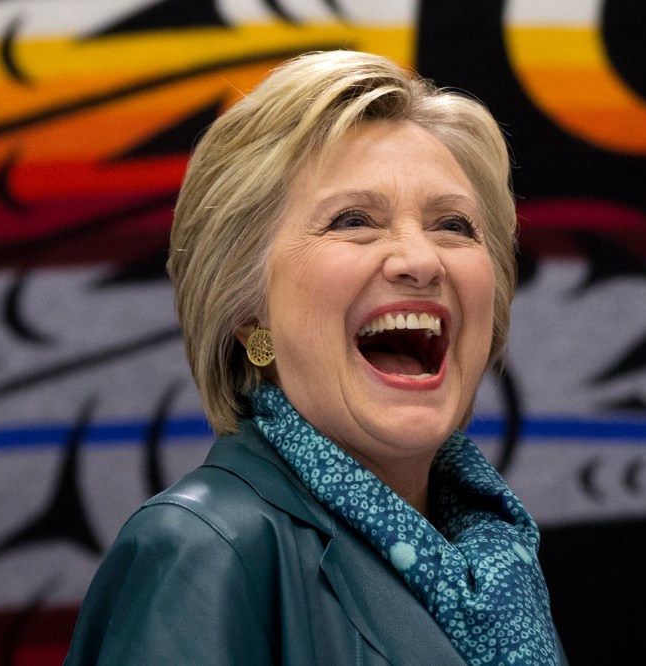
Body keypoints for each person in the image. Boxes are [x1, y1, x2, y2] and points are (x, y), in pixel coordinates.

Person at [65, 50, 566, 665]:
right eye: (354, 220)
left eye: (454, 226)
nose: (421, 259)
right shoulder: (202, 549)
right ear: (249, 311)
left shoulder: (495, 566)